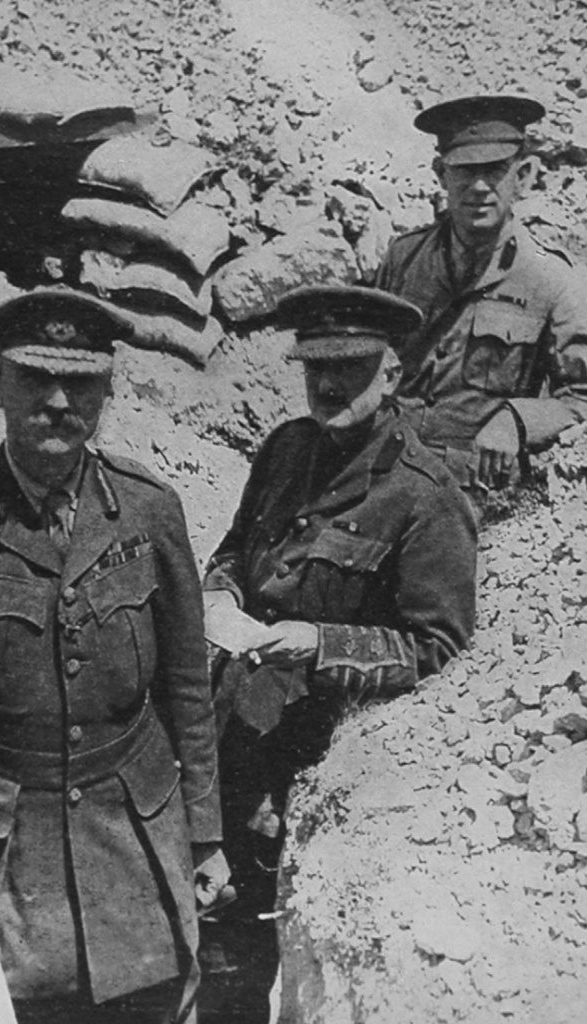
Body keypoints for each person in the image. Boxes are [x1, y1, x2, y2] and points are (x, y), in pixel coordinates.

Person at [0, 286, 227, 1024]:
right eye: (36, 378)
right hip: (6, 859)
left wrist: (205, 837)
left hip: (137, 842)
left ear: (109, 391)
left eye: (82, 382)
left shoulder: (150, 508)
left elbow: (187, 689)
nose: (60, 401)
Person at [203, 285, 477, 904]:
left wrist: (320, 644)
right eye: (316, 367)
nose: (329, 385)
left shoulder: (425, 497)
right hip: (219, 720)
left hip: (300, 753)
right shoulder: (285, 449)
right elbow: (234, 549)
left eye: (350, 368)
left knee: (246, 937)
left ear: (391, 376)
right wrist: (218, 594)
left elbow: (438, 650)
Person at [376, 95, 587, 494]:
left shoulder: (554, 279)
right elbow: (368, 359)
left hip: (474, 491)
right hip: (386, 471)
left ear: (522, 176)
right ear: (441, 174)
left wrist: (517, 420)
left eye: (493, 170)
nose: (478, 187)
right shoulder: (404, 259)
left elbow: (580, 399)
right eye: (463, 170)